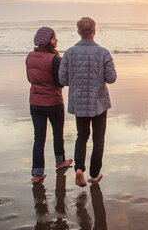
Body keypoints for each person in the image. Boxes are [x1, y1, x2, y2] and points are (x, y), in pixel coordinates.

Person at [59, 17, 117, 187]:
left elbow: (62, 79)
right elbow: (111, 78)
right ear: (94, 31)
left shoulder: (70, 53)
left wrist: (76, 82)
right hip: (99, 102)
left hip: (79, 101)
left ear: (78, 32)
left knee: (82, 136)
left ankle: (79, 169)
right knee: (98, 138)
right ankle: (94, 173)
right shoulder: (103, 53)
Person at [26, 26, 73, 184]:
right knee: (57, 134)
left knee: (38, 138)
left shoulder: (30, 56)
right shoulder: (54, 59)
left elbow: (29, 78)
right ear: (47, 41)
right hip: (53, 102)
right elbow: (60, 83)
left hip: (35, 102)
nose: (56, 41)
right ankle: (60, 162)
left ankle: (37, 174)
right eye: (54, 38)